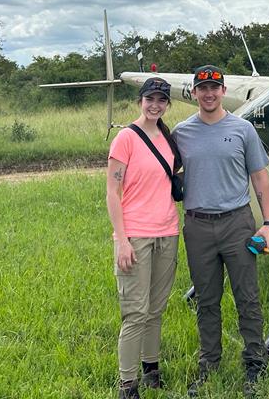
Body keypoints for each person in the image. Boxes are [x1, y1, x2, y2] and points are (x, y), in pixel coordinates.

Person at [172, 65, 269, 397]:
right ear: (194, 92)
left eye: (214, 88)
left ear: (223, 90)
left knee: (247, 296)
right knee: (206, 299)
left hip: (237, 223)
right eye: (202, 88)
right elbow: (166, 174)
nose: (208, 93)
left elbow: (260, 177)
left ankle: (255, 363)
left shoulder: (243, 129)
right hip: (198, 226)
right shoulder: (181, 132)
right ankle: (209, 364)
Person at [106, 77, 181, 399]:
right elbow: (112, 191)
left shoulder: (168, 136)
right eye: (150, 99)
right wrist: (121, 239)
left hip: (167, 231)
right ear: (140, 101)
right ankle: (127, 383)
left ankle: (152, 369)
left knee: (156, 309)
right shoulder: (125, 138)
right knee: (135, 312)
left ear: (167, 104)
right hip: (136, 234)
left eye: (161, 100)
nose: (155, 105)